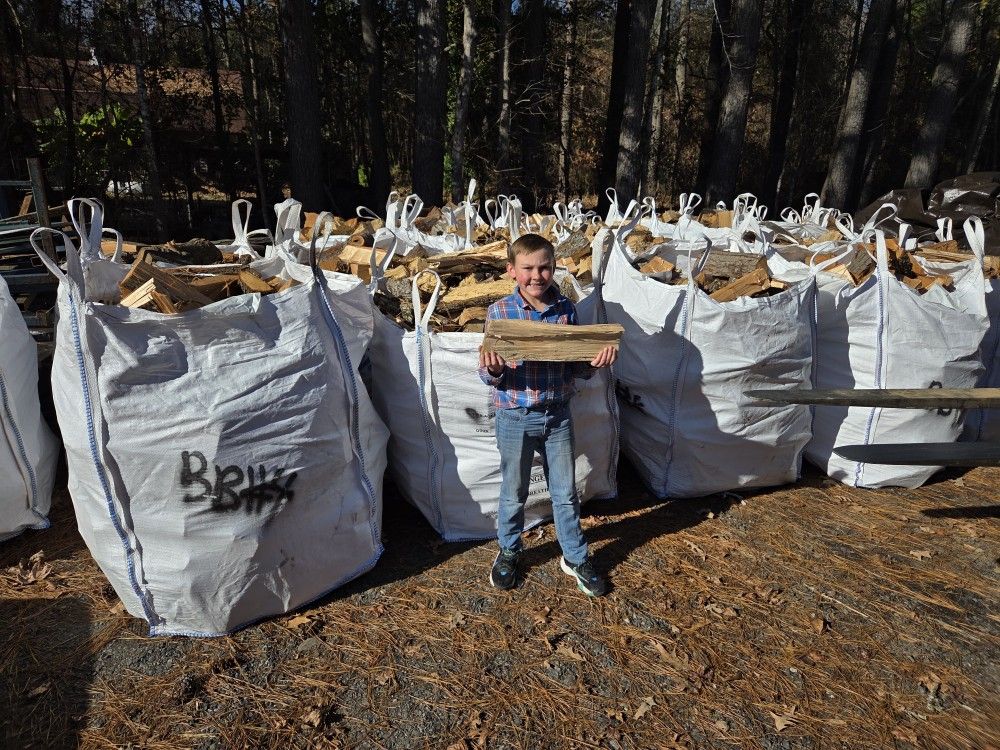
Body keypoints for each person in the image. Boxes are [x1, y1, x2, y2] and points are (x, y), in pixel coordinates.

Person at [478, 233, 617, 596]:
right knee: (513, 490)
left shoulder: (566, 310)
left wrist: (594, 362)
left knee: (565, 491)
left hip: (557, 415)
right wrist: (493, 369)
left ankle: (574, 556)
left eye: (544, 268)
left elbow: (575, 368)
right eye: (527, 268)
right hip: (515, 415)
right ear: (511, 270)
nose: (536, 276)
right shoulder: (499, 312)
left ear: (554, 268)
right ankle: (509, 550)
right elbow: (487, 373)